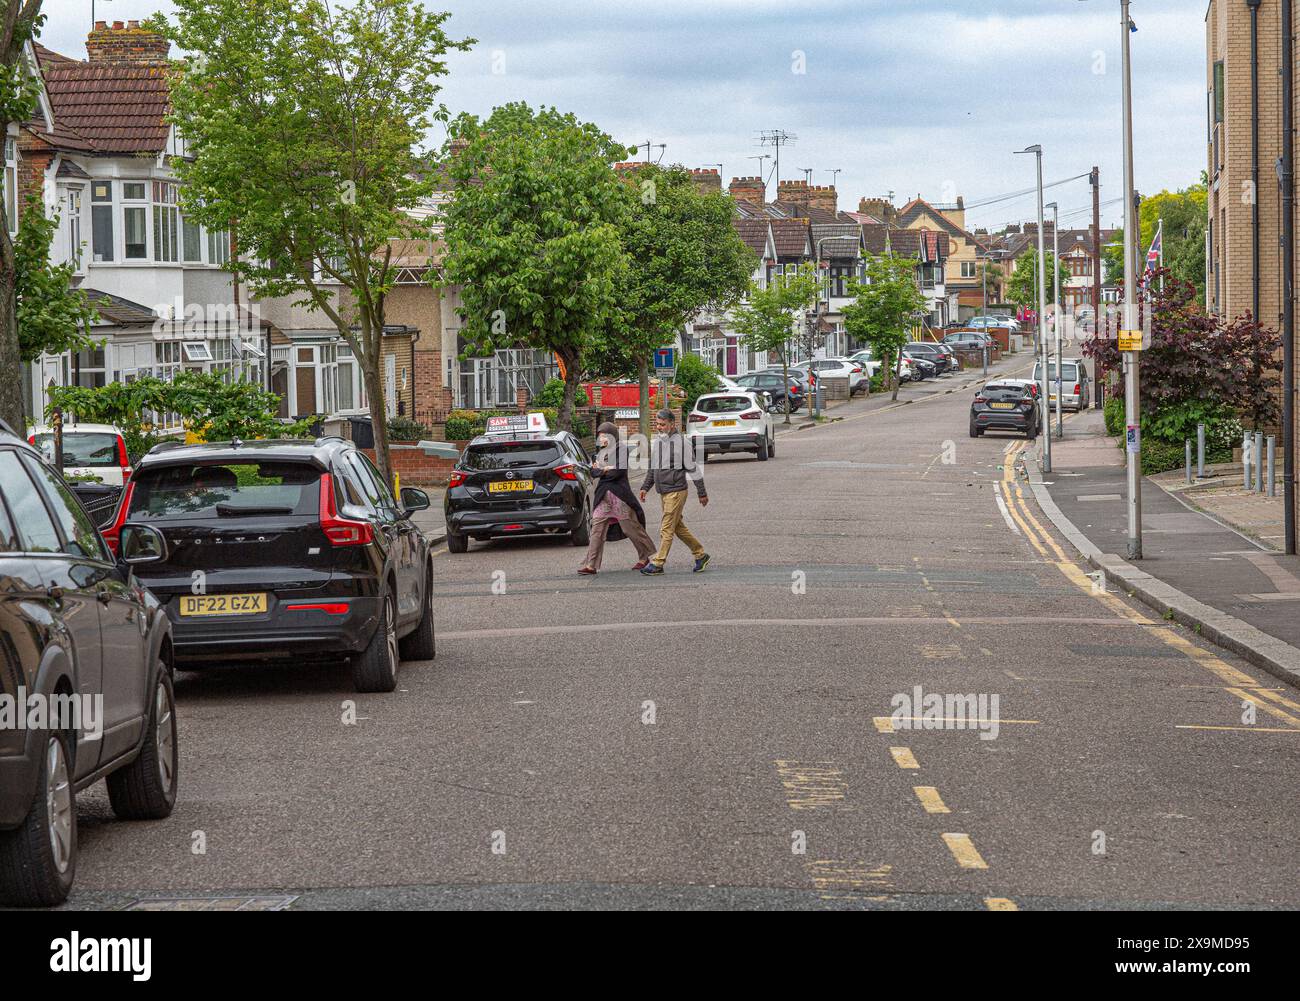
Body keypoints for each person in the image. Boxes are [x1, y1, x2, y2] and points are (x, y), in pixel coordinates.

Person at [638, 408, 709, 575]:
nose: (659, 427)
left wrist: (702, 492)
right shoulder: (659, 442)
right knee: (677, 527)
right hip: (664, 491)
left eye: (663, 424)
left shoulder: (681, 443)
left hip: (676, 491)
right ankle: (700, 554)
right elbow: (653, 468)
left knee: (667, 527)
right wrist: (645, 487)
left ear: (672, 424)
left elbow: (693, 468)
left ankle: (658, 563)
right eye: (657, 424)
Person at [579, 423, 656, 574]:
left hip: (619, 496)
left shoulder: (621, 449)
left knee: (630, 528)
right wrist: (604, 470)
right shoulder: (600, 452)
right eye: (600, 435)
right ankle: (591, 565)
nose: (601, 438)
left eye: (604, 435)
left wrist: (601, 470)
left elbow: (617, 473)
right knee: (596, 529)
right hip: (603, 497)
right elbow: (592, 472)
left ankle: (644, 557)